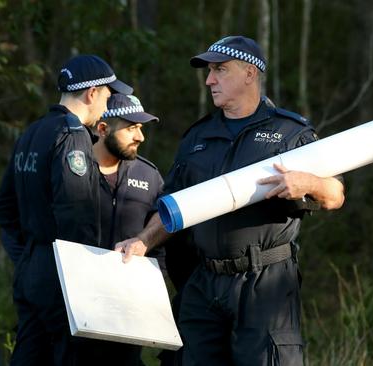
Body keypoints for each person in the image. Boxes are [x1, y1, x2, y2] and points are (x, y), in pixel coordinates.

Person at [115, 35, 345, 366]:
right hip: (205, 281)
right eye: (209, 71)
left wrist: (308, 182)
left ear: (250, 73)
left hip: (264, 282)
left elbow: (335, 194)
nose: (209, 80)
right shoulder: (198, 137)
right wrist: (142, 241)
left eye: (220, 70)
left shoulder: (290, 133)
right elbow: (173, 205)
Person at [0, 54, 133, 365]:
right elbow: (77, 216)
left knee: (29, 353)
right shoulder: (73, 136)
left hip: (31, 266)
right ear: (91, 93)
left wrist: (28, 254)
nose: (109, 103)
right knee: (71, 357)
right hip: (64, 272)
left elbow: (4, 208)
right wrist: (86, 277)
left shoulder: (31, 133)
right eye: (108, 95)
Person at [88, 93, 164, 365]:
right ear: (102, 129)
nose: (140, 137)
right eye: (131, 127)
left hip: (126, 313)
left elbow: (162, 233)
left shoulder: (149, 175)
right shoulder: (72, 168)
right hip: (75, 307)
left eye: (141, 128)